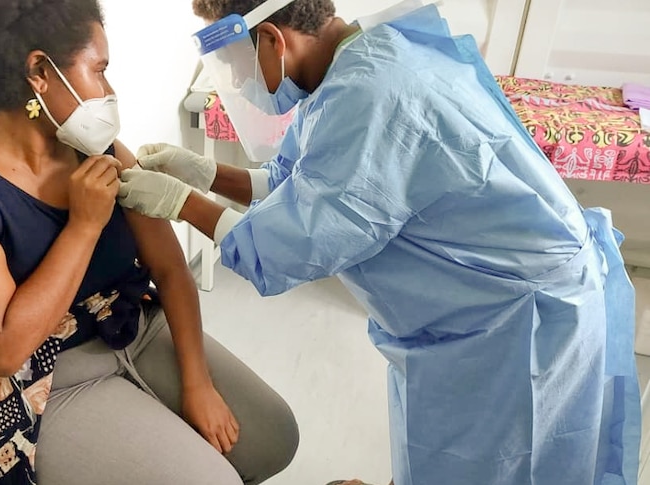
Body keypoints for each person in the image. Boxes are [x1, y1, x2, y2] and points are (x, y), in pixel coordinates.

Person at [116, 0, 641, 484]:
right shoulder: (356, 64)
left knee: (501, 466)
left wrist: (178, 201)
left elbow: (292, 244)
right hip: (477, 315)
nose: (236, 78)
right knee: (446, 454)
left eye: (234, 61)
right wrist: (205, 174)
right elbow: (301, 185)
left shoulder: (372, 93)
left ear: (274, 40)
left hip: (521, 328)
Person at [0, 0, 299, 484]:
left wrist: (197, 383)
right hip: (48, 380)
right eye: (99, 70)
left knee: (275, 439)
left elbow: (171, 271)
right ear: (39, 72)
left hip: (131, 327)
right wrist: (83, 227)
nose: (109, 91)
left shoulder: (98, 148)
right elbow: (2, 353)